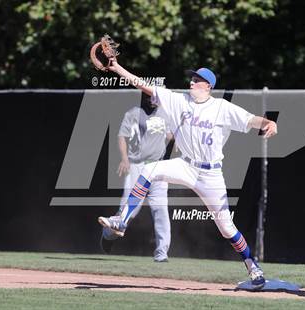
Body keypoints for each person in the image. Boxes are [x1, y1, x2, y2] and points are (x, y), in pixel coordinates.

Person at [98, 58, 277, 289]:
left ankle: (253, 267)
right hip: (185, 165)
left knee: (226, 228)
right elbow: (143, 85)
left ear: (208, 86)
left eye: (197, 80)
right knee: (149, 169)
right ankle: (121, 221)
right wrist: (117, 68)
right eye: (192, 79)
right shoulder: (178, 100)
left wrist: (268, 122)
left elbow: (250, 120)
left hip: (211, 174)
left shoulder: (222, 107)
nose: (191, 82)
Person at [101, 93, 172, 262]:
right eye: (151, 95)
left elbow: (170, 136)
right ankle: (108, 235)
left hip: (158, 166)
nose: (154, 98)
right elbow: (122, 136)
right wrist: (125, 159)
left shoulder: (166, 113)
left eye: (157, 95)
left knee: (161, 210)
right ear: (144, 96)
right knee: (129, 209)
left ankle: (162, 253)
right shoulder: (134, 113)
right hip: (137, 165)